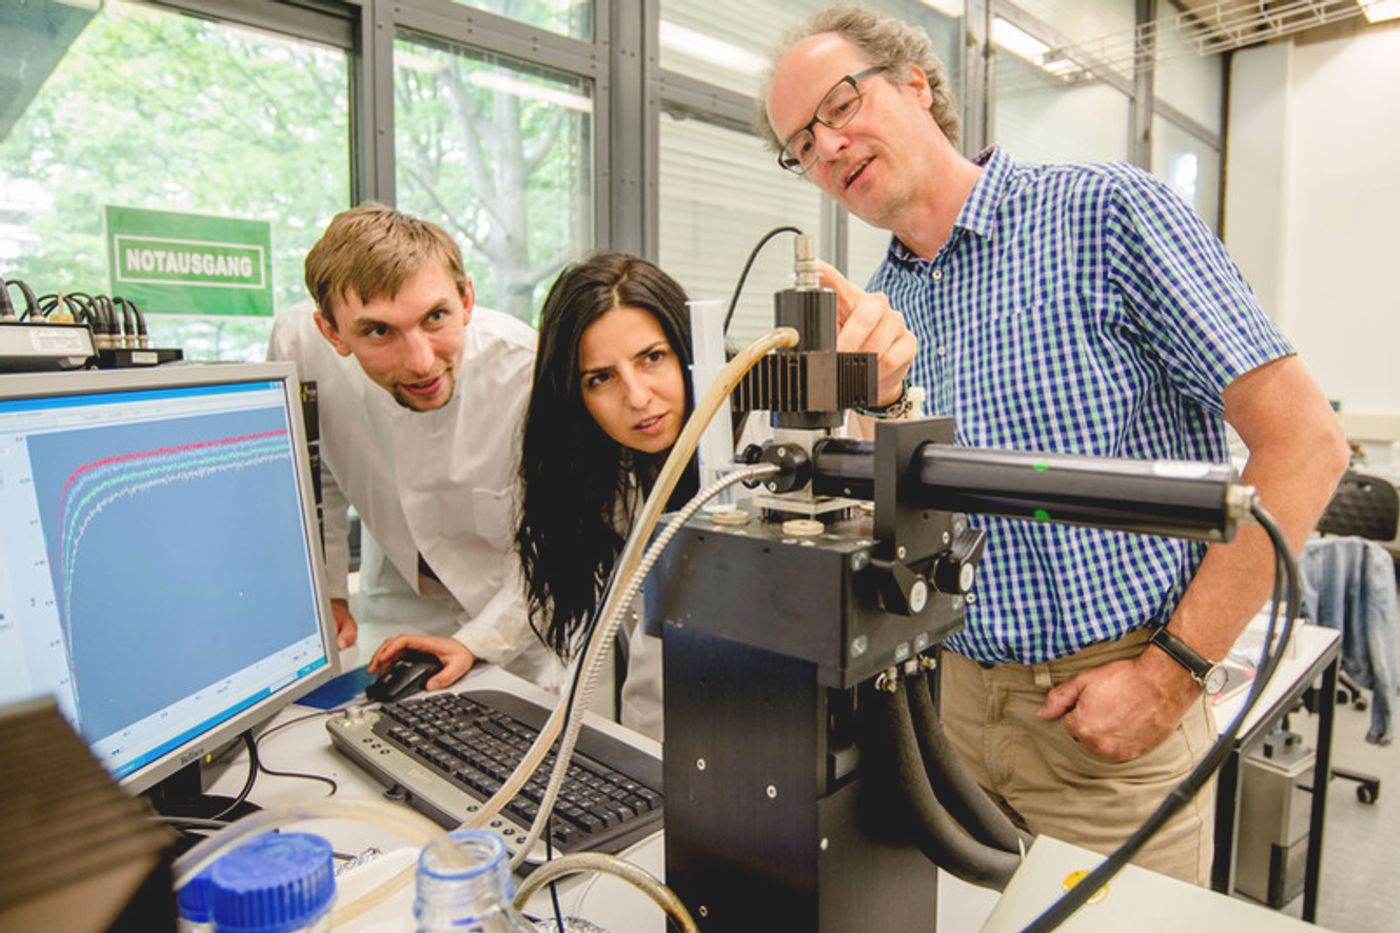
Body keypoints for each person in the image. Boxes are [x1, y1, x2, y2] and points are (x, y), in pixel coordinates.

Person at [758, 5, 1348, 885]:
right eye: (802, 142)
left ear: (917, 85)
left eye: (840, 107)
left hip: (1109, 723)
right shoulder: (881, 307)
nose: (828, 147)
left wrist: (1172, 675)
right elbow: (898, 517)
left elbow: (1306, 445)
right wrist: (873, 406)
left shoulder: (1105, 215)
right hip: (949, 713)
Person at [514, 250, 919, 740]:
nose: (638, 397)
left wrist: (887, 397)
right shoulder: (606, 469)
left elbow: (896, 500)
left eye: (652, 358)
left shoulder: (773, 428)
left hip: (779, 741)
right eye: (601, 378)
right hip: (654, 738)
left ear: (689, 349)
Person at [267, 203, 562, 693]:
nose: (421, 362)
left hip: (520, 615)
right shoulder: (300, 345)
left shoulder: (528, 375)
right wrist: (329, 589)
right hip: (399, 597)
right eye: (379, 331)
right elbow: (311, 472)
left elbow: (558, 550)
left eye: (436, 317)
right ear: (332, 332)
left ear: (466, 300)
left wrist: (477, 641)